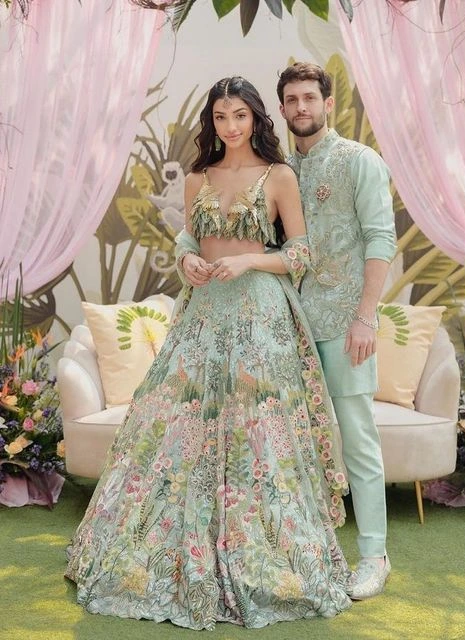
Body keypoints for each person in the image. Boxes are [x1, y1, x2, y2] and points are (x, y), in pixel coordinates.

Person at [65, 76, 354, 631]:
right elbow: (188, 240)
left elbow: (301, 253)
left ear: (256, 118)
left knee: (257, 432)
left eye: (240, 116)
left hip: (259, 314)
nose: (231, 126)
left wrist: (249, 260)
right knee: (176, 424)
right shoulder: (198, 176)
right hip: (202, 312)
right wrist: (187, 262)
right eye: (221, 117)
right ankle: (168, 548)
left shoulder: (279, 176)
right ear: (212, 122)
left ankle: (260, 555)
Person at [277, 62, 397, 600]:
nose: (301, 107)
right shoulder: (279, 170)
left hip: (346, 326)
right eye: (292, 100)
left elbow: (380, 239)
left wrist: (365, 316)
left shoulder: (358, 161)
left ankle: (373, 557)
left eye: (309, 98)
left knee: (358, 442)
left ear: (328, 103)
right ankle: (304, 553)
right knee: (291, 443)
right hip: (286, 326)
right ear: (282, 109)